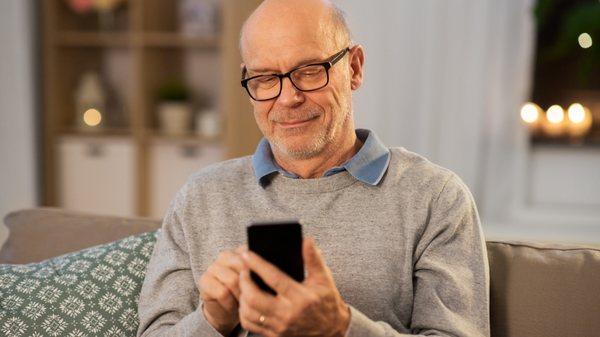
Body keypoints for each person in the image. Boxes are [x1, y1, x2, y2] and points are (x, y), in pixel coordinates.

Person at [137, 0, 490, 336]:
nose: (288, 97)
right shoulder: (201, 197)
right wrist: (213, 319)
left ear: (354, 68)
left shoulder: (436, 198)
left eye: (309, 71)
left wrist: (339, 327)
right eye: (265, 78)